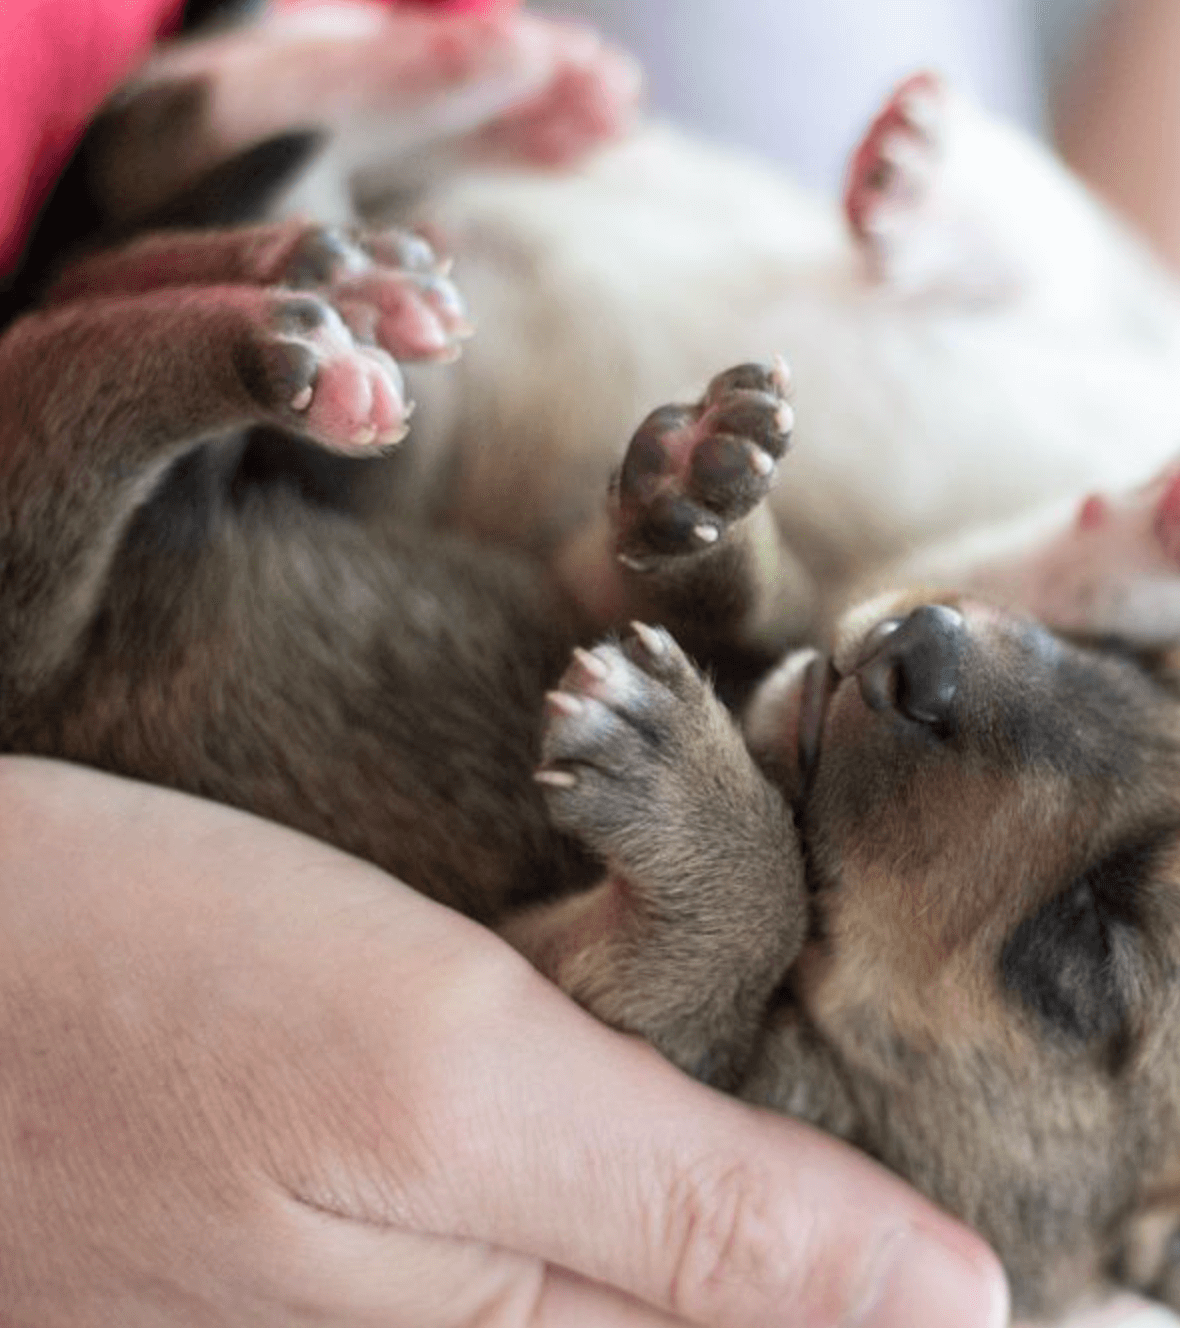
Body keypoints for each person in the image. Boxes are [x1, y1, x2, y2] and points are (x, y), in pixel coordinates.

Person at [0, 4, 1009, 1326]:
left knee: (164, 392)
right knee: (352, 360)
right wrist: (696, 548)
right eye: (1140, 672)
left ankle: (253, 226)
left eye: (1087, 944)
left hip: (96, 645)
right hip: (316, 513)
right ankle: (269, 210)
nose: (993, 668)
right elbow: (696, 650)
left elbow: (615, 1002)